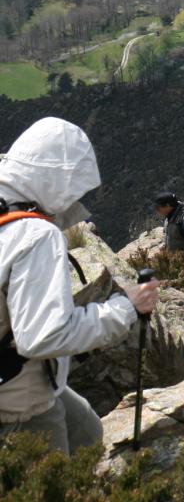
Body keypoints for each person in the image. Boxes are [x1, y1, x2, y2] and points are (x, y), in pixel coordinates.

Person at [0, 118, 159, 454]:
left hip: (17, 376)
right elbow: (45, 336)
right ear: (57, 181)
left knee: (86, 430)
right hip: (18, 402)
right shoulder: (35, 236)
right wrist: (126, 308)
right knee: (53, 482)